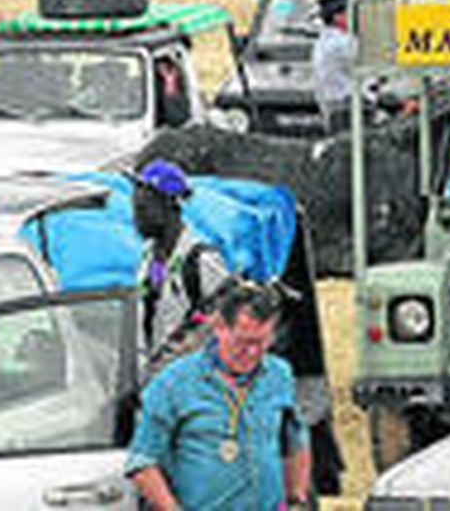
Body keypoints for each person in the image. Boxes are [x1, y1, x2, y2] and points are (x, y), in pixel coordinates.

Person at [125, 282, 313, 511]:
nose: (252, 352)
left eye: (262, 342)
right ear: (219, 328)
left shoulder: (279, 374)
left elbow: (295, 441)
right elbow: (142, 463)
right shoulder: (173, 382)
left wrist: (297, 500)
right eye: (243, 341)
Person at [132, 159, 229, 353]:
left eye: (143, 209)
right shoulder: (150, 259)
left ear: (169, 204)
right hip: (156, 366)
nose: (136, 219)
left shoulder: (201, 261)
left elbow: (227, 324)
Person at [310, 0, 357, 135]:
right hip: (348, 110)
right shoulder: (340, 43)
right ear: (338, 17)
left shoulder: (325, 40)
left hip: (336, 109)